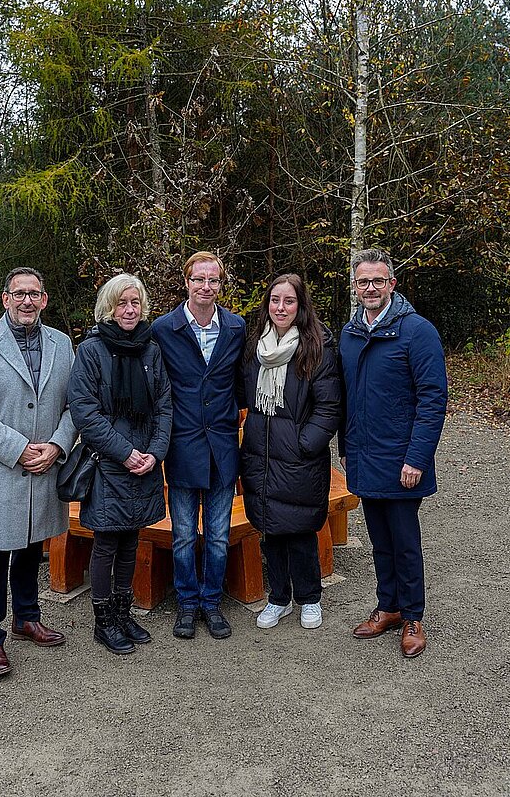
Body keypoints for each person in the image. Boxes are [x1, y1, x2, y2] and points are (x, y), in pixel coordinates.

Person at [0, 267, 77, 678]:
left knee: (31, 545)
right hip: (1, 468)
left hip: (44, 464)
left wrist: (58, 444)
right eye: (19, 293)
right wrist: (18, 448)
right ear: (6, 299)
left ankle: (27, 617)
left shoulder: (62, 343)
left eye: (35, 294)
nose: (27, 301)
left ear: (44, 300)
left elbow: (75, 404)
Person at [338, 248, 448, 658]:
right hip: (365, 456)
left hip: (403, 460)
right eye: (363, 281)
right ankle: (388, 607)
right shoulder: (350, 333)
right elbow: (346, 398)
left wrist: (417, 458)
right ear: (355, 285)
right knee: (379, 540)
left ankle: (414, 616)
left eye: (378, 281)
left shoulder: (416, 331)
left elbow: (433, 400)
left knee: (404, 541)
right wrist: (346, 447)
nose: (370, 288)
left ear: (392, 284)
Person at [67, 274, 172, 655]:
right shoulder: (91, 350)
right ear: (108, 308)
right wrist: (125, 453)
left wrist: (155, 453)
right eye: (122, 303)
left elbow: (164, 404)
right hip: (110, 462)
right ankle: (103, 621)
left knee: (131, 538)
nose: (130, 310)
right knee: (107, 541)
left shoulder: (151, 349)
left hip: (144, 461)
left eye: (135, 302)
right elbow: (85, 412)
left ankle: (124, 612)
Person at [152, 252, 246, 639]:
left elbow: (242, 382)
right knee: (185, 534)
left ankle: (212, 602)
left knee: (220, 535)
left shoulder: (236, 327)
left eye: (214, 281)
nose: (206, 287)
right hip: (183, 444)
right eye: (199, 280)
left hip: (222, 446)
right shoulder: (163, 329)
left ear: (221, 285)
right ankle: (187, 604)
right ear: (186, 282)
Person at [240, 274, 341, 631]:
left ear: (301, 306)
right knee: (270, 529)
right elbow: (243, 396)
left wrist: (305, 444)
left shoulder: (317, 347)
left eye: (289, 301)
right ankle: (279, 597)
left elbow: (329, 406)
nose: (280, 308)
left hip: (299, 457)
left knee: (299, 530)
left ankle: (310, 597)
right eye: (275, 301)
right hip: (260, 454)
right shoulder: (255, 347)